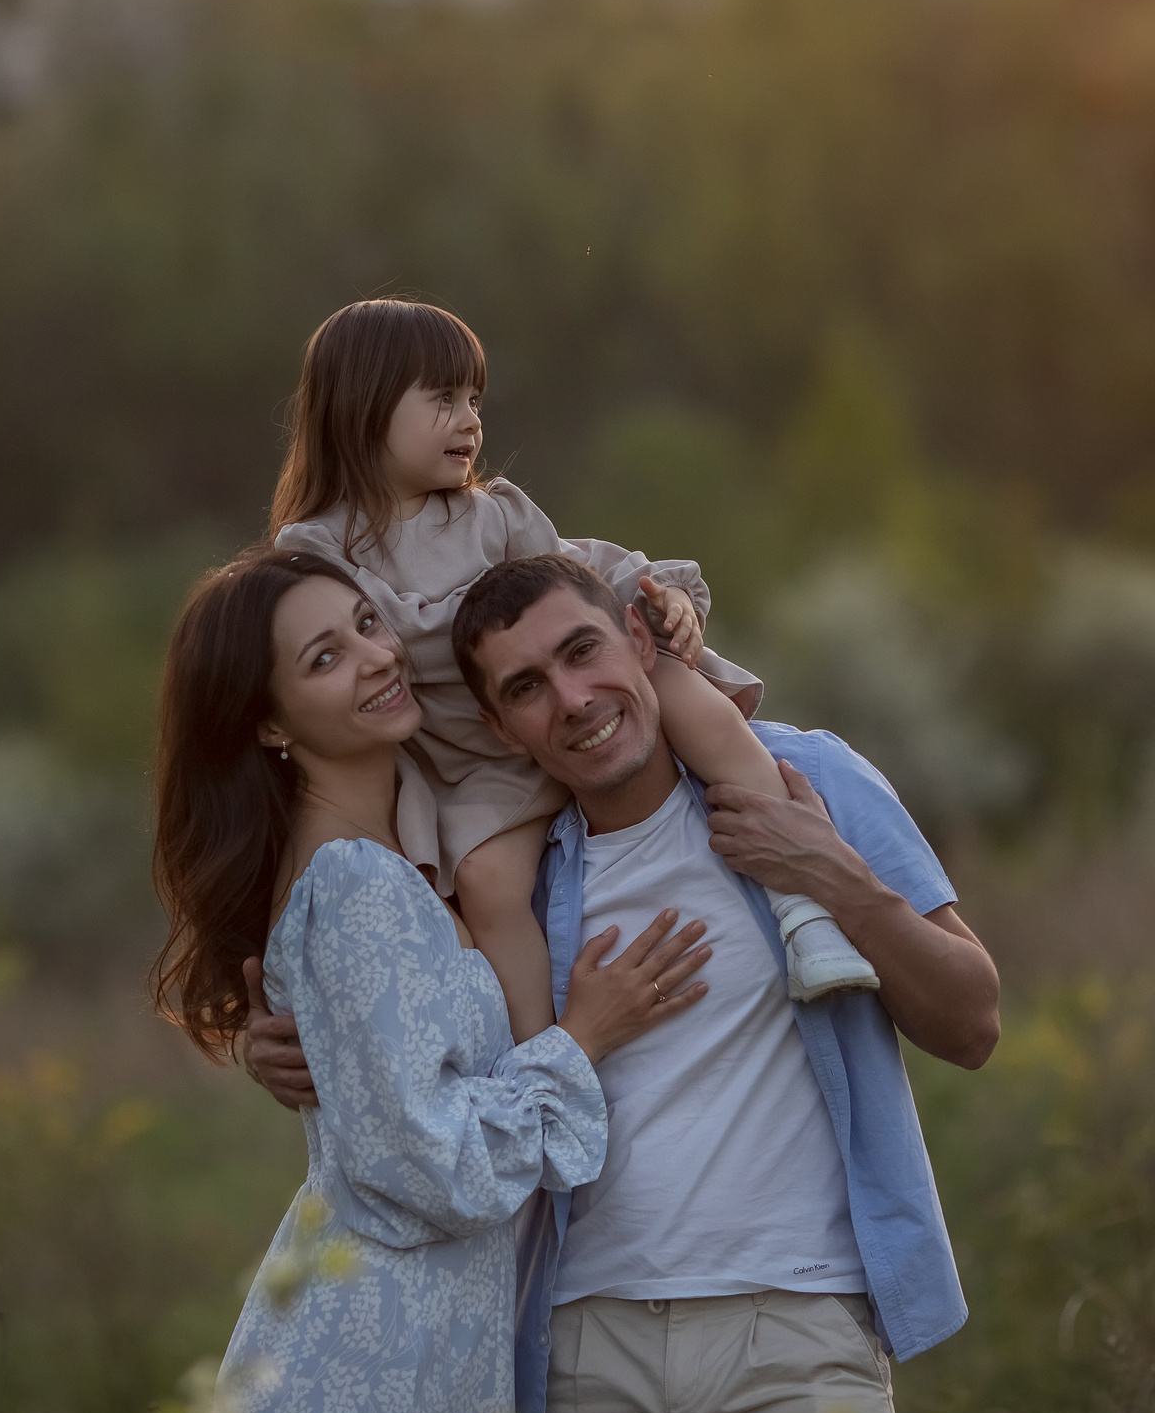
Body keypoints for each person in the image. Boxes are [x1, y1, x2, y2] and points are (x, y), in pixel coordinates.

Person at [247, 554, 1001, 1413]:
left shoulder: (800, 778)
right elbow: (412, 1073)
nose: (572, 698)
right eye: (527, 687)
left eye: (583, 650)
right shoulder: (508, 890)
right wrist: (278, 1050)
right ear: (498, 728)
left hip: (797, 1331)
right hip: (578, 1357)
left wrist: (838, 880)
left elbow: (972, 1020)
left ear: (640, 643)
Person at [150, 547, 719, 1413]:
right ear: (271, 723)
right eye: (325, 658)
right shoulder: (356, 887)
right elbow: (429, 1162)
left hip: (430, 1352)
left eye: (369, 627)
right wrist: (581, 1037)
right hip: (372, 1359)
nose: (376, 658)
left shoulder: (396, 867)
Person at [270, 298, 883, 1022]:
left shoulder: (492, 513)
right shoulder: (319, 549)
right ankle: (543, 1058)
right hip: (480, 766)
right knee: (489, 881)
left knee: (692, 699)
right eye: (443, 399)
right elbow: (360, 646)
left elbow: (572, 582)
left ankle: (805, 914)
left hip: (584, 708)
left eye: (475, 399)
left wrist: (665, 596)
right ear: (362, 408)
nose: (470, 419)